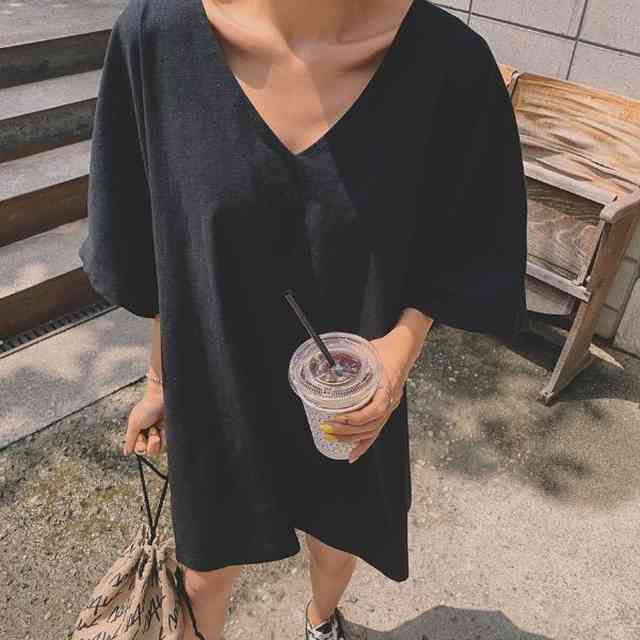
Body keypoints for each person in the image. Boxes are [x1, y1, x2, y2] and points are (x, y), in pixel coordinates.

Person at [78, 0, 528, 638]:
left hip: (350, 392)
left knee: (336, 541)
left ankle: (321, 623)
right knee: (206, 571)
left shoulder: (449, 64)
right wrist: (159, 380)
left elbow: (464, 239)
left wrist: (397, 355)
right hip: (216, 380)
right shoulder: (154, 40)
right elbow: (159, 246)